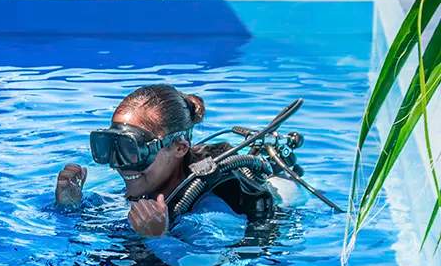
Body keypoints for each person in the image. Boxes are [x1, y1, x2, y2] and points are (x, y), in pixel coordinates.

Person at [54, 82, 306, 238]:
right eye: (112, 147)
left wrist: (158, 239)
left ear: (179, 148)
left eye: (132, 149)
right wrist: (70, 206)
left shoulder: (213, 211)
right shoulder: (149, 184)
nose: (118, 163)